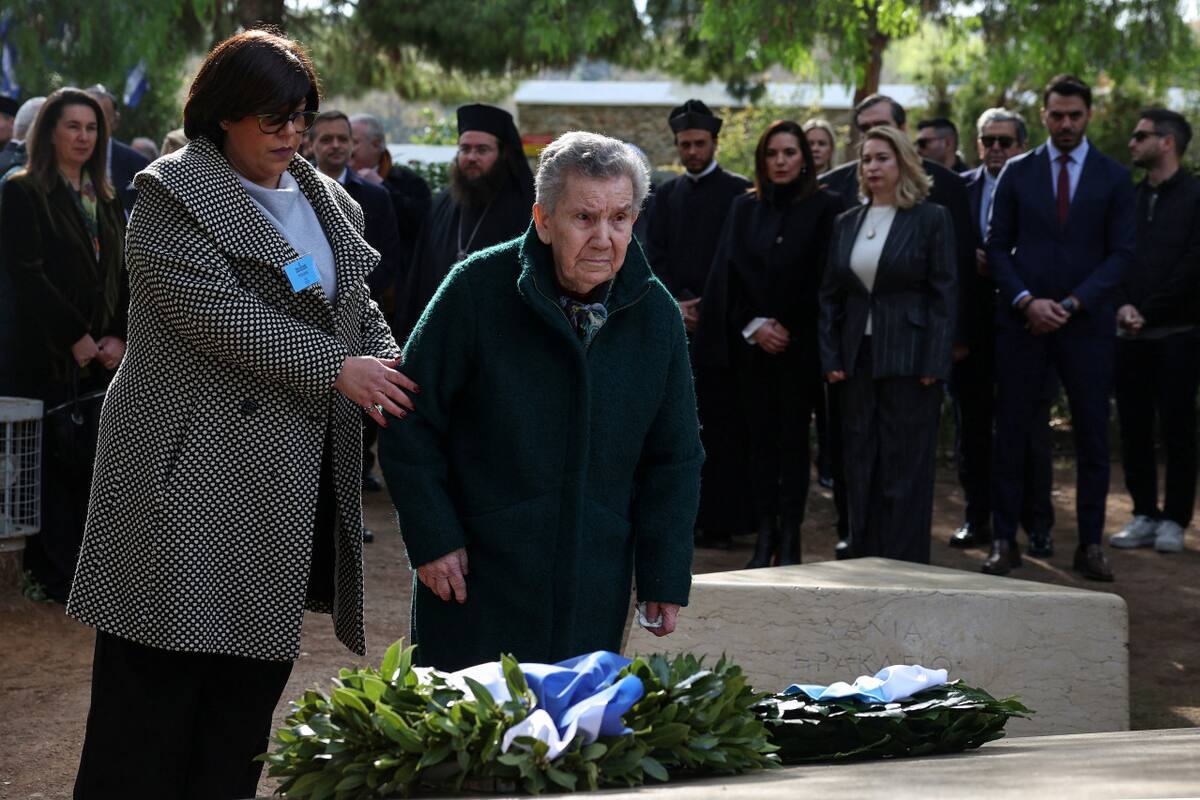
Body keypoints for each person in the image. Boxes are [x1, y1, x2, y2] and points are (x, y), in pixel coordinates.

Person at [66, 30, 416, 798]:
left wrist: (388, 366)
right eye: (274, 121)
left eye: (302, 119)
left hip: (282, 488)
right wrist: (340, 370)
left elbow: (355, 311)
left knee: (240, 714)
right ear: (223, 114)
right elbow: (220, 318)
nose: (292, 137)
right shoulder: (168, 192)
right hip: (182, 481)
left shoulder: (331, 201)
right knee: (146, 711)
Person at [379, 131, 702, 671]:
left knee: (572, 739)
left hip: (593, 578)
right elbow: (409, 417)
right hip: (477, 576)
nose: (604, 237)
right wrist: (433, 538)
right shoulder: (477, 288)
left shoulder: (655, 313)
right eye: (584, 218)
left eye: (620, 218)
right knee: (467, 741)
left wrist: (663, 572)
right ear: (544, 219)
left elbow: (675, 456)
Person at [984, 75, 1135, 581]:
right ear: (1044, 116)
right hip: (1024, 324)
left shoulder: (1113, 177)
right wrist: (1027, 301)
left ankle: (1090, 545)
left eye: (1074, 115)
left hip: (1086, 327)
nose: (1065, 123)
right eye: (1056, 115)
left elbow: (1122, 254)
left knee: (1093, 438)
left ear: (1087, 115)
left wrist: (1072, 303)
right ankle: (1004, 540)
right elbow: (996, 245)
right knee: (1011, 435)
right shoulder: (1018, 172)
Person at [0, 88, 129, 603]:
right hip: (48, 351)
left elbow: (124, 272)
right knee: (54, 463)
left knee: (93, 463)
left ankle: (90, 572)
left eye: (91, 128)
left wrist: (116, 334)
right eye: (72, 126)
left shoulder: (108, 193)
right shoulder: (23, 188)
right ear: (49, 130)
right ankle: (56, 578)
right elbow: (28, 275)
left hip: (105, 352)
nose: (82, 136)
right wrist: (75, 336)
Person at [697, 120, 843, 567]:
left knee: (794, 444)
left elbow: (827, 280)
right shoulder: (745, 209)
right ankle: (765, 535)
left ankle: (791, 537)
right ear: (762, 161)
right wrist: (755, 325)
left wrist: (788, 328)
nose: (781, 161)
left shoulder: (827, 207)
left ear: (805, 159)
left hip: (800, 350)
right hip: (754, 348)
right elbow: (728, 276)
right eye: (772, 154)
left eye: (790, 153)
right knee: (759, 444)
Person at [818, 124, 956, 564]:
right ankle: (865, 556)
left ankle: (906, 563)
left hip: (912, 362)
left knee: (906, 468)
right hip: (856, 360)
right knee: (859, 462)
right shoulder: (847, 222)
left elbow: (944, 295)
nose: (872, 167)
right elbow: (830, 296)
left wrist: (936, 360)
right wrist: (832, 356)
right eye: (866, 159)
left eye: (882, 158)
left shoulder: (931, 218)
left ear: (903, 164)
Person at [645, 98, 754, 549]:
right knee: (681, 425)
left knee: (726, 425)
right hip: (680, 327)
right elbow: (654, 255)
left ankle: (723, 521)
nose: (692, 151)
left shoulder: (741, 192)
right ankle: (683, 518)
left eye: (699, 143)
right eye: (685, 144)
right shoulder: (665, 195)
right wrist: (678, 302)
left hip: (726, 328)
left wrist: (710, 304)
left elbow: (742, 258)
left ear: (715, 142)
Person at [951, 107, 1058, 557]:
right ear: (978, 145)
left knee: (1029, 429)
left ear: (1021, 145)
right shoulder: (958, 189)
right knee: (971, 429)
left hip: (1025, 325)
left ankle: (1037, 526)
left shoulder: (1043, 185)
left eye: (1005, 142)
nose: (996, 149)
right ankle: (977, 517)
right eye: (988, 141)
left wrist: (1002, 264)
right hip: (971, 332)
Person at [1109, 109, 1200, 554]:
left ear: (1167, 143)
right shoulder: (1128, 197)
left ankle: (1175, 519)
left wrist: (1149, 310)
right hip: (1129, 335)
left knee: (1179, 429)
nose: (1132, 142)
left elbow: (1193, 265)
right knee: (1134, 427)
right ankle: (1144, 512)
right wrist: (1124, 304)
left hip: (1178, 335)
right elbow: (1115, 254)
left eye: (1140, 135)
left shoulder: (1197, 196)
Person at [309, 109, 405, 506]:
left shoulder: (373, 198)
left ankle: (351, 483)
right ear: (310, 144)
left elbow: (386, 258)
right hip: (305, 325)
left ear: (352, 145)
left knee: (356, 412)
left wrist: (354, 299)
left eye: (341, 139)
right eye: (325, 138)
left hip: (357, 320)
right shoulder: (289, 194)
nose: (334, 146)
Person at [395, 103, 533, 343]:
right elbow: (419, 275)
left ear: (502, 154)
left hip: (499, 339)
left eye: (482, 150)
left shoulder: (526, 207)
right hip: (440, 333)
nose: (471, 157)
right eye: (465, 149)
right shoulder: (441, 205)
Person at [349, 112, 432, 283]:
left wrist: (382, 187)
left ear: (376, 144)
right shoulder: (333, 181)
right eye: (345, 141)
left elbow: (421, 225)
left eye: (354, 142)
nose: (347, 148)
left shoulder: (408, 181)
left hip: (396, 284)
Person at [84, 84, 150, 217]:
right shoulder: (62, 162)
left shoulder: (138, 165)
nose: (88, 131)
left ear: (115, 121)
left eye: (99, 122)